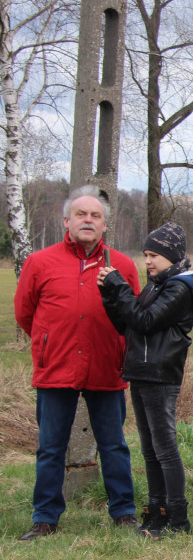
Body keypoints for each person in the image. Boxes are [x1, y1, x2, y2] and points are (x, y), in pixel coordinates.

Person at [13, 185, 141, 540]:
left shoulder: (122, 265)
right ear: (66, 220)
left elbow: (133, 314)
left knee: (113, 443)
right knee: (50, 446)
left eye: (95, 216)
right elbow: (25, 313)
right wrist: (48, 342)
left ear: (104, 226)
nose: (88, 220)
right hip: (56, 368)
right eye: (81, 214)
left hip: (105, 367)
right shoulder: (40, 262)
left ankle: (124, 513)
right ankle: (45, 519)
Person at [97, 222, 193, 539]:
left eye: (154, 255)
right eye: (146, 254)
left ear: (172, 256)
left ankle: (178, 517)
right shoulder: (156, 285)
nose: (147, 261)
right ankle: (157, 510)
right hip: (141, 372)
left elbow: (145, 321)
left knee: (165, 449)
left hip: (161, 375)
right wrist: (109, 295)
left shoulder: (181, 288)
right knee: (149, 449)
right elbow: (128, 325)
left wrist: (119, 286)